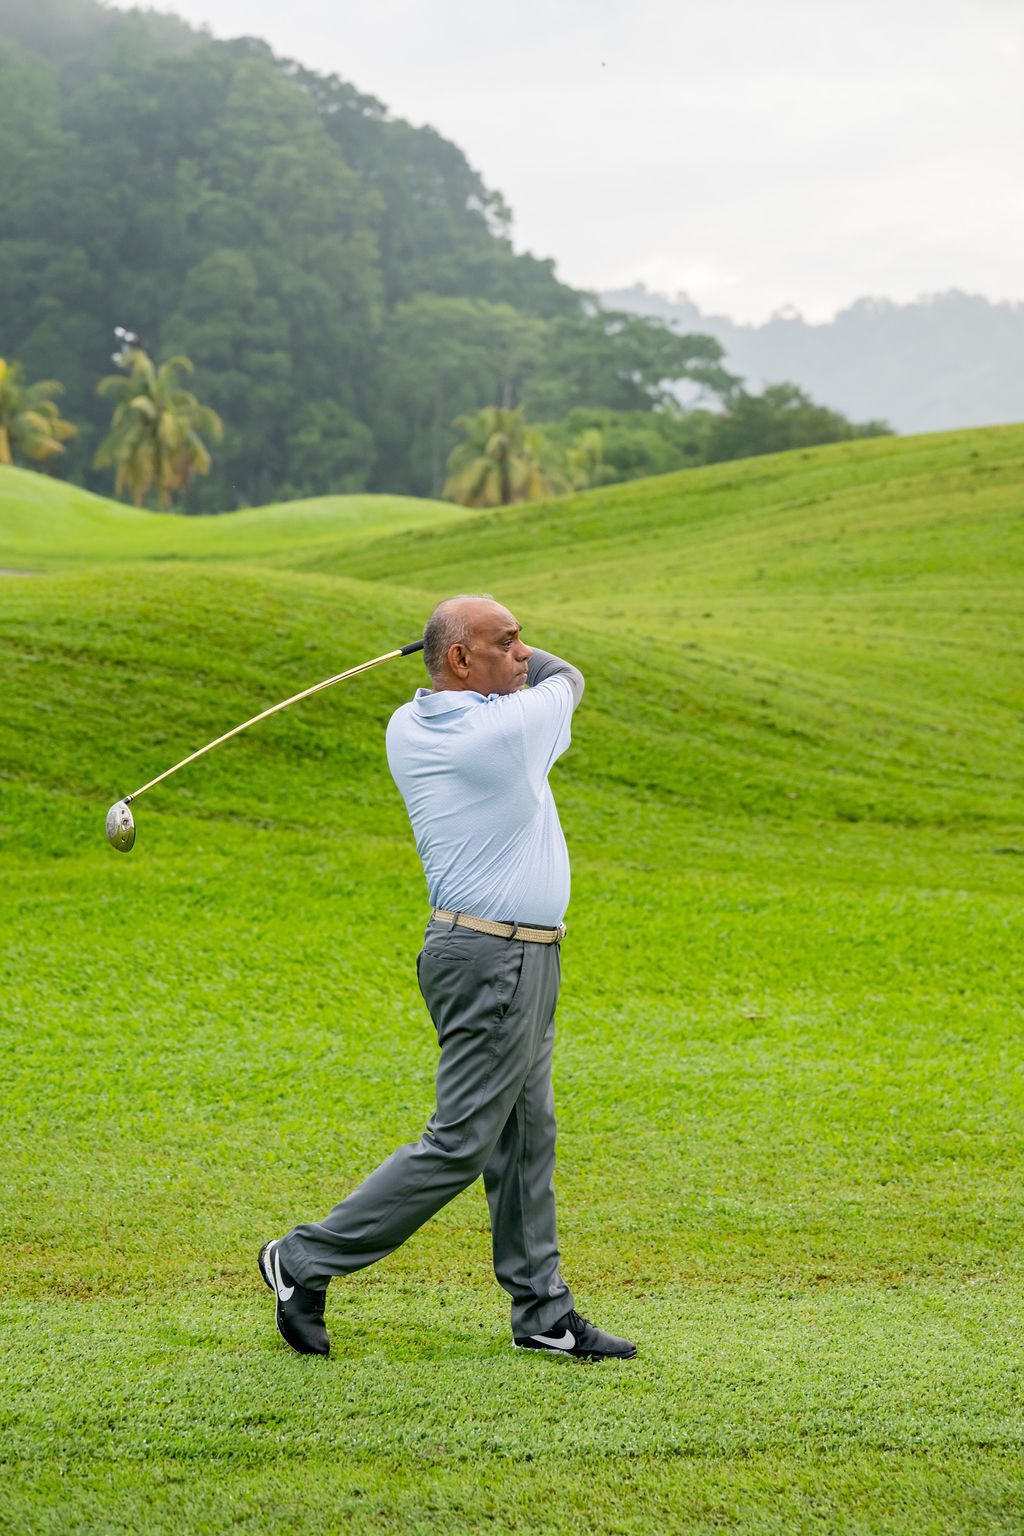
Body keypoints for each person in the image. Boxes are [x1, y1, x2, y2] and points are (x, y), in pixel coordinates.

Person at [259, 595, 635, 1362]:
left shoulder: (410, 723)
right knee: (461, 1143)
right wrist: (512, 655)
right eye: (509, 641)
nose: (524, 654)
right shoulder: (505, 730)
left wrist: (465, 643)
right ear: (461, 660)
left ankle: (543, 1313)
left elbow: (512, 675)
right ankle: (302, 1259)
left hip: (503, 954)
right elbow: (570, 676)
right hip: (496, 960)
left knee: (526, 1137)